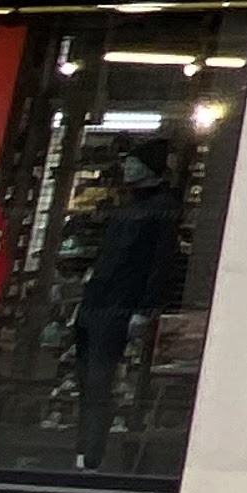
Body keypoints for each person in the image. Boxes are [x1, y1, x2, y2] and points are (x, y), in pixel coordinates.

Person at [74, 148, 178, 472]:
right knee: (86, 378)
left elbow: (160, 263)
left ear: (148, 168)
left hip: (120, 303)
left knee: (99, 378)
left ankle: (92, 453)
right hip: (97, 301)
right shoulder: (128, 206)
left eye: (134, 162)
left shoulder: (162, 208)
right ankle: (84, 449)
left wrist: (144, 309)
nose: (127, 167)